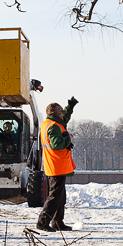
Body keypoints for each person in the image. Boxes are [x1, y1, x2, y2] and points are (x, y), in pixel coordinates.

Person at [36, 98, 78, 232]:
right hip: (56, 165)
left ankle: (57, 222)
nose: (63, 114)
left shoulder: (49, 124)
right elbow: (57, 144)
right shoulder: (53, 127)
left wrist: (70, 108)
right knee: (54, 196)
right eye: (61, 113)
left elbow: (64, 119)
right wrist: (68, 139)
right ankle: (43, 222)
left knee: (60, 196)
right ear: (56, 114)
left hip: (54, 165)